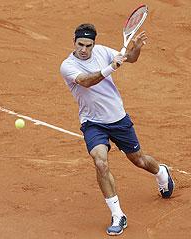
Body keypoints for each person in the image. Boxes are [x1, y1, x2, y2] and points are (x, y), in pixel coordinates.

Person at [60, 23, 174, 236]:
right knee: (100, 161)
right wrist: (111, 67)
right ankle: (118, 214)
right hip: (92, 123)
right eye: (80, 44)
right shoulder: (67, 65)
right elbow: (86, 81)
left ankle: (161, 172)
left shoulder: (102, 52)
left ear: (94, 44)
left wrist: (136, 48)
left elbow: (130, 58)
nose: (84, 49)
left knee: (139, 160)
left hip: (118, 119)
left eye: (88, 45)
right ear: (73, 42)